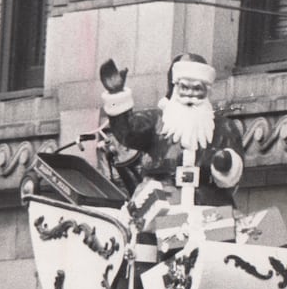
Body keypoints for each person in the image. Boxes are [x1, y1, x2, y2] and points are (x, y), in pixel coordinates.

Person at [99, 53, 245, 209]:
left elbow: (233, 177)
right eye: (184, 87)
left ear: (207, 90)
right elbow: (126, 133)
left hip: (207, 204)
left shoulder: (224, 127)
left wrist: (224, 165)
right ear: (175, 87)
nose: (190, 94)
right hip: (160, 201)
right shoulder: (157, 121)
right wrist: (117, 96)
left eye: (197, 88)